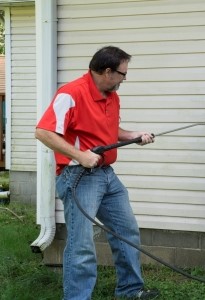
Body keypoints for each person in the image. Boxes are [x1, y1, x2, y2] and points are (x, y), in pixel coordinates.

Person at [35, 46, 160, 300]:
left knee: (126, 231)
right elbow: (44, 132)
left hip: (106, 175)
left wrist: (133, 135)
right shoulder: (71, 93)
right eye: (123, 74)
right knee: (81, 245)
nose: (125, 79)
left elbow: (109, 131)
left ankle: (129, 290)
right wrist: (80, 155)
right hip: (79, 178)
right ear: (107, 71)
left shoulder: (111, 95)